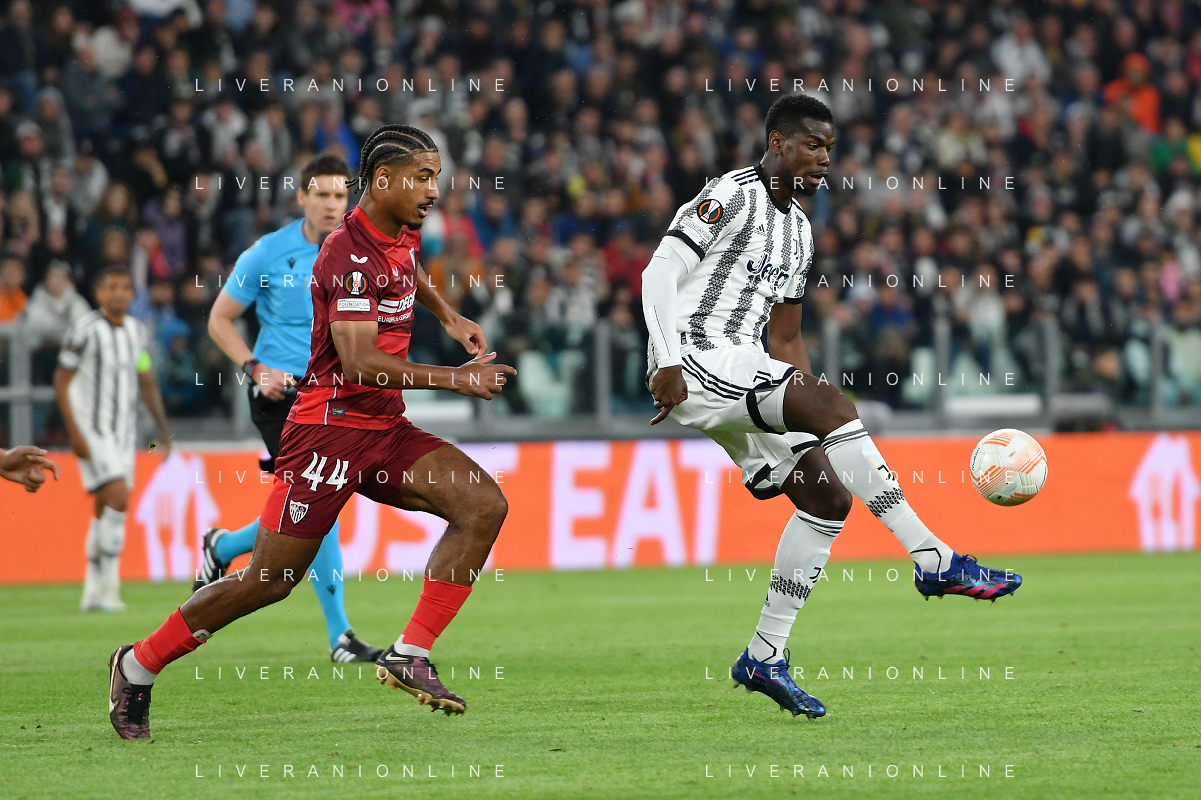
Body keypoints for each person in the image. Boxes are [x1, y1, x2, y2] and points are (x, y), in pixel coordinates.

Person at [108, 125, 516, 740]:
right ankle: (137, 664)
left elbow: (409, 269)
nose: (434, 190)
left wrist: (450, 316)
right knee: (268, 582)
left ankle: (410, 653)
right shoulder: (345, 256)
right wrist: (455, 380)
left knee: (483, 504)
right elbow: (359, 363)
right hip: (327, 433)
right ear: (383, 180)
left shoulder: (402, 228)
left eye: (435, 176)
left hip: (384, 428)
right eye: (423, 177)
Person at [641, 94, 1022, 720]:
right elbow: (658, 274)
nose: (824, 159)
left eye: (830, 149)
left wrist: (818, 417)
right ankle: (933, 559)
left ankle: (763, 655)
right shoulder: (729, 195)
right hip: (696, 357)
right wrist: (666, 360)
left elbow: (787, 337)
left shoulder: (800, 231)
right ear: (777, 142)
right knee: (832, 405)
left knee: (828, 498)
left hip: (746, 368)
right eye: (812, 145)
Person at [197, 152, 385, 664]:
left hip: (335, 395)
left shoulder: (363, 252)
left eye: (340, 195)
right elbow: (219, 319)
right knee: (320, 499)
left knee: (313, 504)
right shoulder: (268, 253)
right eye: (321, 194)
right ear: (301, 196)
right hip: (280, 395)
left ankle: (222, 547)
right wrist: (254, 367)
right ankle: (341, 637)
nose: (331, 204)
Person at [54, 266, 172, 613]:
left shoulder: (137, 331)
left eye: (125, 287)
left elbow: (145, 377)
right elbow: (61, 381)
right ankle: (110, 588)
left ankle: (92, 590)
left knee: (104, 505)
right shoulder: (85, 330)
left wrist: (162, 428)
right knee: (119, 498)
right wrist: (73, 431)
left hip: (124, 433)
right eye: (111, 287)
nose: (118, 293)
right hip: (93, 430)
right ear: (99, 293)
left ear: (133, 294)